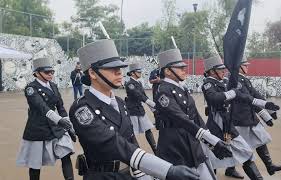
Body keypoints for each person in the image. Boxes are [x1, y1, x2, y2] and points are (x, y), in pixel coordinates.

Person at [69, 39, 200, 180]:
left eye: (120, 68)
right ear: (93, 74)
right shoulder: (81, 108)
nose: (119, 73)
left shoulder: (119, 102)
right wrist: (166, 169)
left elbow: (130, 139)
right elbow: (112, 143)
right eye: (112, 69)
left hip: (127, 173)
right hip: (102, 176)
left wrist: (141, 173)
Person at [155, 48, 233, 180]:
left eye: (184, 67)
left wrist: (210, 143)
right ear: (167, 71)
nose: (184, 70)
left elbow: (196, 116)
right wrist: (212, 140)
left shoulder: (181, 88)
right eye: (179, 68)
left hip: (191, 140)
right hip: (174, 145)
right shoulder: (163, 91)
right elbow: (180, 118)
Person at [202, 55, 263, 180]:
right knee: (212, 158)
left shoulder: (223, 81)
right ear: (212, 71)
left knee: (246, 153)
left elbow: (240, 95)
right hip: (217, 126)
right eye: (220, 69)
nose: (224, 71)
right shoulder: (208, 84)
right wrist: (231, 93)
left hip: (228, 125)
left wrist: (263, 104)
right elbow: (214, 98)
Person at [16, 58, 76, 180]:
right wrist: (60, 120)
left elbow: (60, 106)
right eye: (47, 72)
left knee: (66, 154)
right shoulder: (30, 88)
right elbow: (42, 107)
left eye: (52, 72)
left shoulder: (53, 86)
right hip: (37, 128)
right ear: (37, 73)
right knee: (35, 164)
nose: (50, 74)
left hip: (55, 126)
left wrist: (69, 125)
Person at [231, 58, 281, 176]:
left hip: (250, 117)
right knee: (242, 149)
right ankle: (231, 169)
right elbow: (248, 98)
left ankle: (270, 166)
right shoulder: (236, 80)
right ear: (239, 67)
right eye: (245, 65)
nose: (247, 67)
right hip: (240, 119)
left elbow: (256, 95)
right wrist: (266, 113)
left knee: (261, 141)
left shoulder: (244, 79)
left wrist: (270, 111)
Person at [125, 63, 157, 153]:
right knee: (133, 133)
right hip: (132, 110)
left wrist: (153, 109)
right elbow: (138, 95)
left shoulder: (138, 82)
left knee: (148, 129)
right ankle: (136, 151)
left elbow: (144, 95)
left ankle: (155, 149)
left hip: (139, 109)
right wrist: (152, 103)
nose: (140, 73)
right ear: (132, 73)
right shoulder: (129, 84)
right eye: (138, 72)